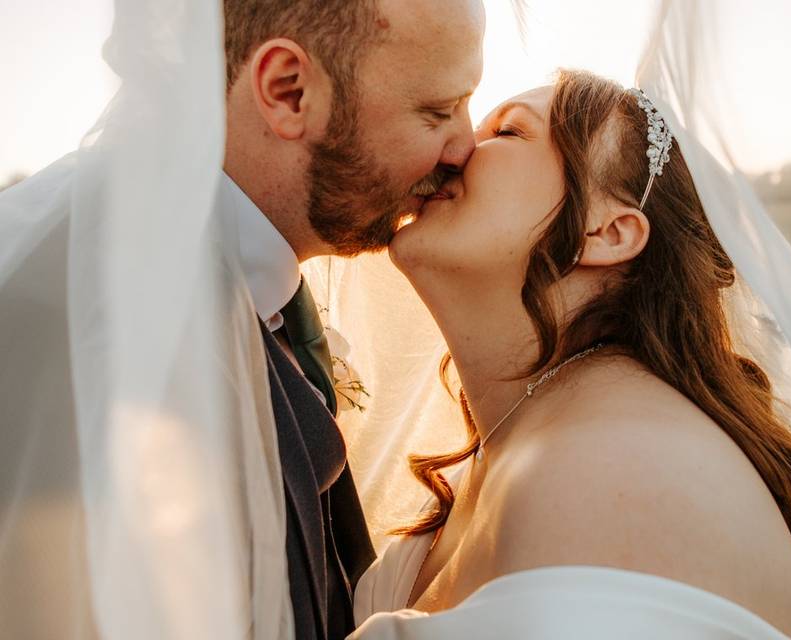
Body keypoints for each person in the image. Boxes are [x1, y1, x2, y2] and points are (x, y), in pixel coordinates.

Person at [0, 1, 483, 638]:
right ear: (288, 91)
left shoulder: (250, 290)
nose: (466, 145)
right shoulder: (79, 309)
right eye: (438, 110)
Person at [348, 71, 791, 639]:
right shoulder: (544, 432)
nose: (461, 147)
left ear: (608, 232)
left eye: (510, 132)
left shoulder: (634, 470)